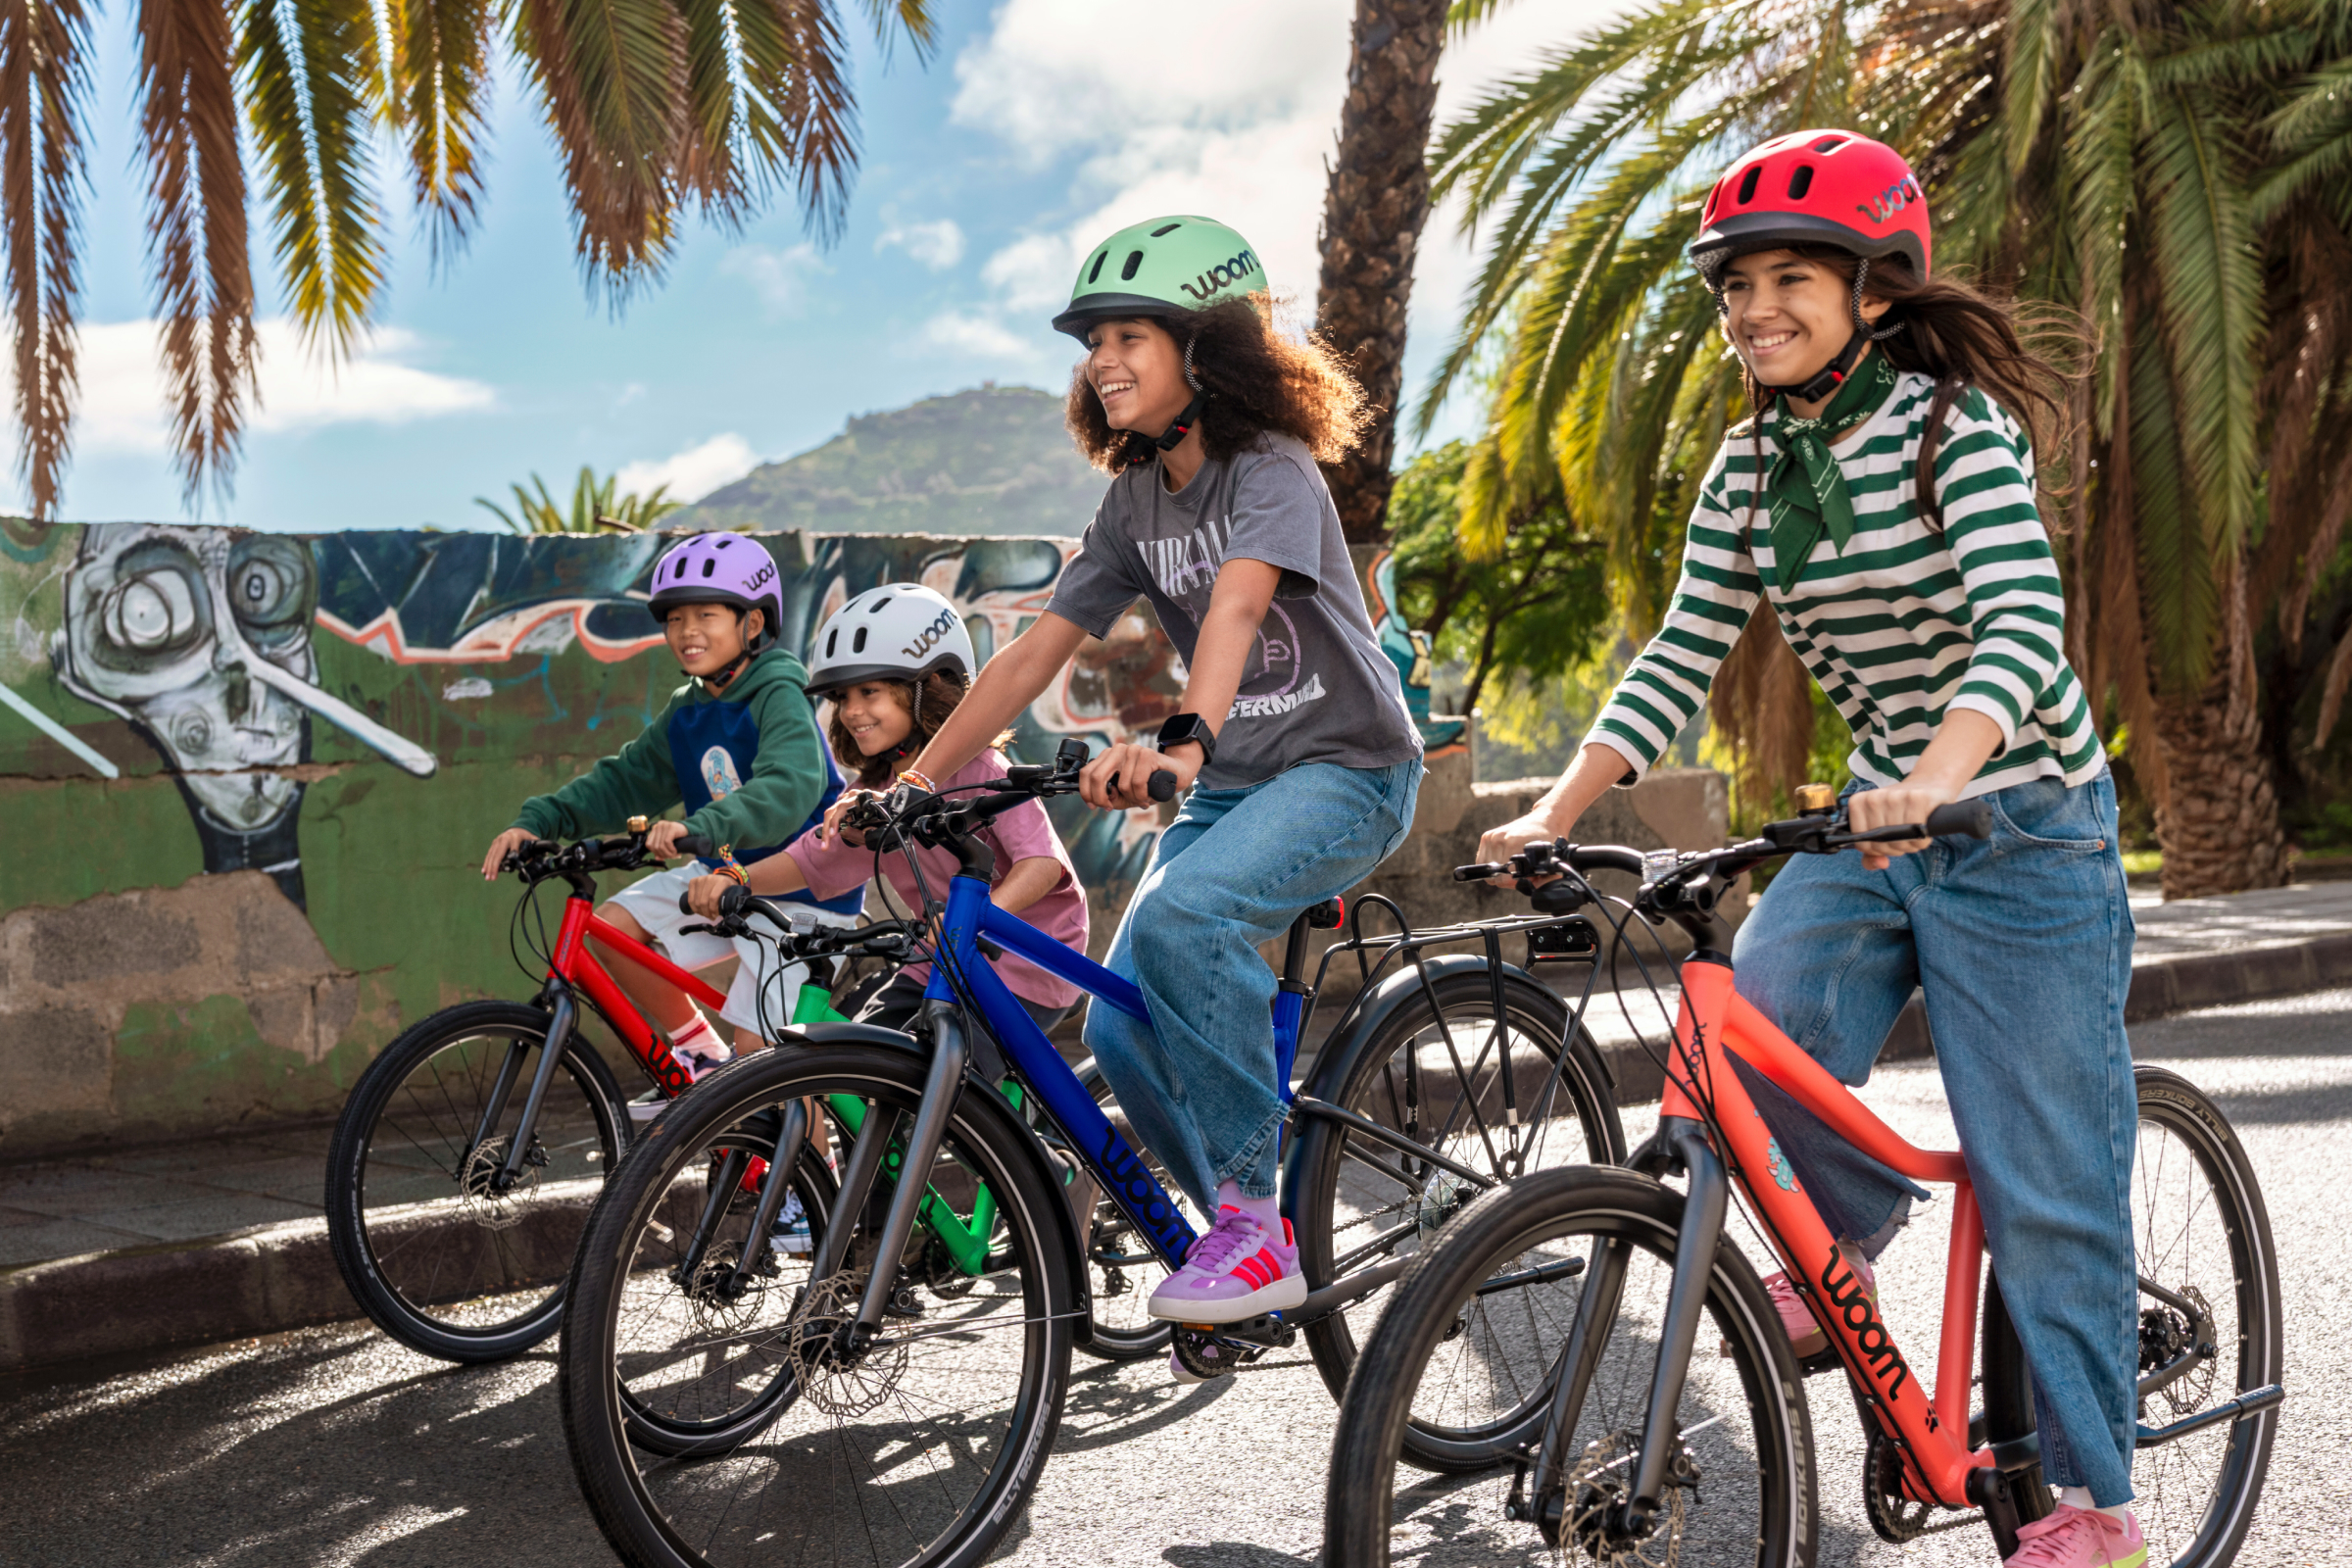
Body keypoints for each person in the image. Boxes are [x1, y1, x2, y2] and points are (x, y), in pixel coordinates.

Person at [1475, 131, 2142, 1568]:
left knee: (2045, 1183)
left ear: (1874, 289)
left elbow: (2026, 626)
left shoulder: (1950, 428)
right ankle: (1850, 1227)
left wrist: (1940, 774)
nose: (1753, 309)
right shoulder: (1751, 457)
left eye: (1790, 278)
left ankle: (2101, 1505)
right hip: (1877, 828)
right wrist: (1559, 807)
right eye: (1736, 286)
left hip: (2018, 823)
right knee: (1747, 1048)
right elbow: (1682, 649)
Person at [877, 216, 1423, 1358]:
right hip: (1238, 789)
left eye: (1130, 334)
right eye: (1092, 342)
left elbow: (1233, 607)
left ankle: (1252, 1221)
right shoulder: (1134, 502)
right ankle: (1239, 1243)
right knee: (1121, 1026)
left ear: (1205, 347)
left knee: (1185, 914)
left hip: (1348, 771)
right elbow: (1031, 652)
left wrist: (1181, 739)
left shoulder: (1269, 469)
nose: (1101, 360)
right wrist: (913, 777)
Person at [480, 532, 853, 1118]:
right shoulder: (689, 706)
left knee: (769, 1064)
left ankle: (808, 1203)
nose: (687, 630)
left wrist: (705, 824)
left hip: (798, 895)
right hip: (718, 880)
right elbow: (624, 780)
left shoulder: (780, 692)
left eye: (707, 613)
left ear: (753, 624)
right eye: (675, 617)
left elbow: (789, 786)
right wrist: (540, 819)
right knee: (613, 930)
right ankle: (700, 1056)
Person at [684, 583, 1087, 1040]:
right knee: (866, 1057)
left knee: (948, 1082)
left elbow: (1044, 866)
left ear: (927, 688)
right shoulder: (874, 793)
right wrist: (738, 879)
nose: (852, 712)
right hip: (938, 960)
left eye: (869, 691)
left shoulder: (981, 767)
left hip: (1026, 966)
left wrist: (978, 916)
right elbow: (814, 859)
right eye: (841, 698)